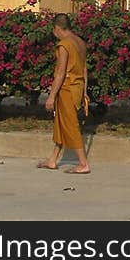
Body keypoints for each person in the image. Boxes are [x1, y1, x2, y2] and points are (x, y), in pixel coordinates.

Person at [36, 13, 90, 174]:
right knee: (61, 123)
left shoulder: (64, 45)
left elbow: (60, 73)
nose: (54, 34)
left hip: (67, 88)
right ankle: (53, 160)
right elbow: (84, 69)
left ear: (58, 28)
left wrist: (51, 96)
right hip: (77, 87)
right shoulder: (79, 42)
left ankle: (83, 163)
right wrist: (84, 91)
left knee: (71, 125)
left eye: (54, 30)